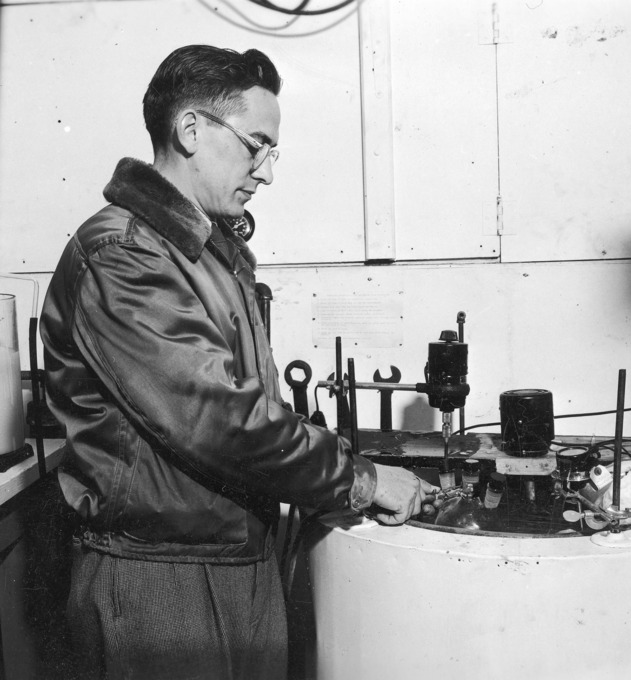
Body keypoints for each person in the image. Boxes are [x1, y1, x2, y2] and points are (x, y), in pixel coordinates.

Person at [39, 44, 437, 680]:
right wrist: (361, 479)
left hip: (230, 565)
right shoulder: (124, 253)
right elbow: (218, 420)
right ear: (191, 128)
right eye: (257, 144)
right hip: (159, 583)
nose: (267, 171)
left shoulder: (207, 254)